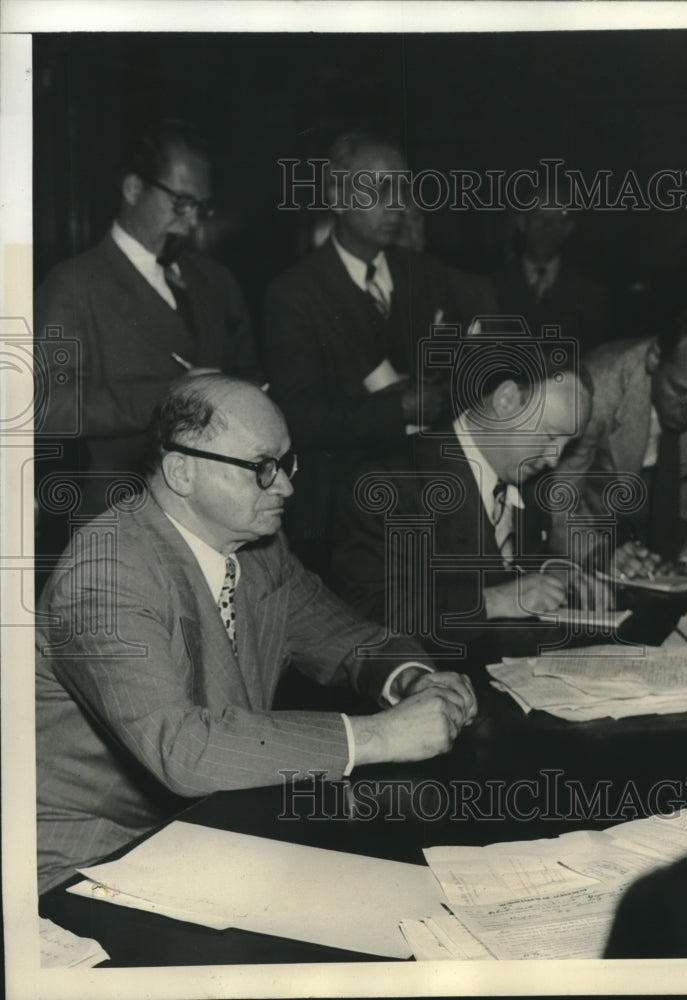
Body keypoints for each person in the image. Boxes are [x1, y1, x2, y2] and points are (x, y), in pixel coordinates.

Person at [35, 375, 476, 894]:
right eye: (263, 468)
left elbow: (346, 638)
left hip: (211, 831)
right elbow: (184, 750)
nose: (286, 486)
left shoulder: (259, 549)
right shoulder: (107, 574)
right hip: (89, 862)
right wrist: (383, 735)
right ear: (181, 472)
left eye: (287, 464)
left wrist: (412, 681)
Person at [34, 119, 260, 523]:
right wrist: (169, 397)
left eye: (202, 207)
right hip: (120, 517)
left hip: (220, 513)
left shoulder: (217, 280)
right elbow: (46, 406)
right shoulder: (72, 284)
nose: (193, 222)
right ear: (133, 189)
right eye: (181, 203)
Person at [261, 132, 457, 573]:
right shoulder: (294, 292)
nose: (398, 204)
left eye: (404, 188)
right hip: (335, 520)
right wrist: (400, 408)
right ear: (336, 195)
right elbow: (298, 416)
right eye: (379, 188)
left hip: (428, 508)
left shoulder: (428, 276)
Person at [330, 361, 595, 656]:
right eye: (550, 436)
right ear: (506, 400)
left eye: (566, 445)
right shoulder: (389, 480)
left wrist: (553, 572)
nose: (553, 459)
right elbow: (369, 611)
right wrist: (492, 601)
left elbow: (514, 564)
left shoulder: (529, 477)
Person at [551, 299, 687, 581]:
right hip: (593, 528)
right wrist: (598, 555)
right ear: (654, 358)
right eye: (680, 391)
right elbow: (557, 499)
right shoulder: (594, 389)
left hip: (675, 525)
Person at [491, 202, 612, 353]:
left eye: (558, 219)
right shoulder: (490, 288)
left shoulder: (591, 294)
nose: (547, 227)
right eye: (538, 217)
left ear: (568, 228)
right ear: (522, 223)